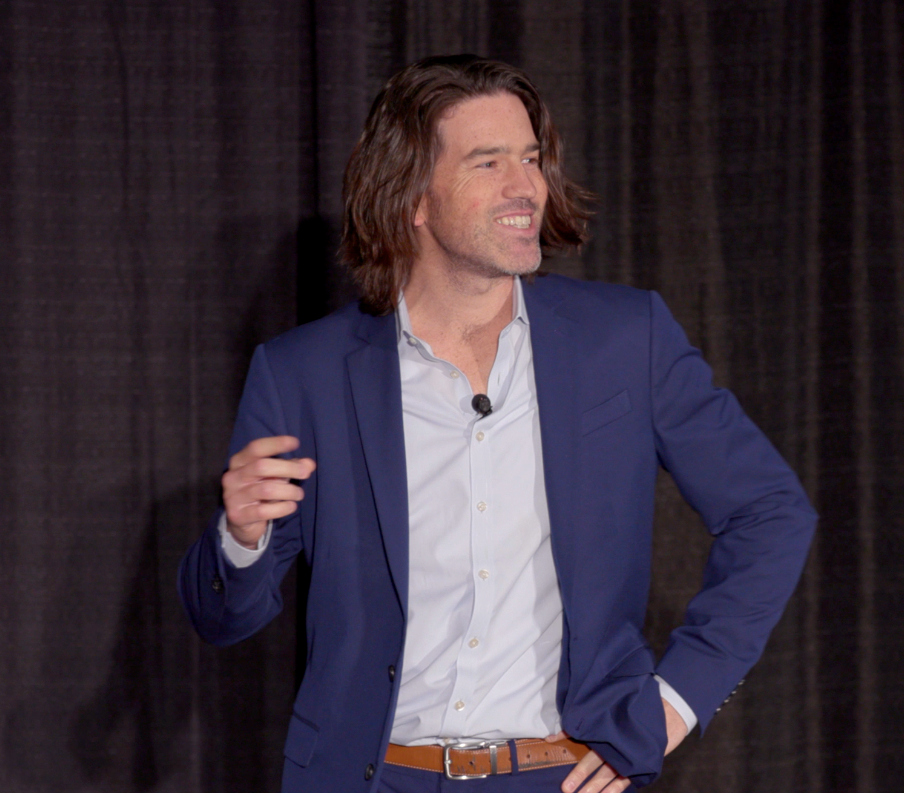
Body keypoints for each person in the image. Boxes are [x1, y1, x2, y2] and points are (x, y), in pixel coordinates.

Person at [179, 55, 816, 793]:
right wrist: (241, 537)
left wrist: (674, 703)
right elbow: (222, 619)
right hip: (374, 779)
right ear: (412, 196)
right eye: (489, 162)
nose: (526, 187)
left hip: (559, 774)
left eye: (531, 159)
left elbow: (770, 511)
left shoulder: (624, 339)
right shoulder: (304, 373)